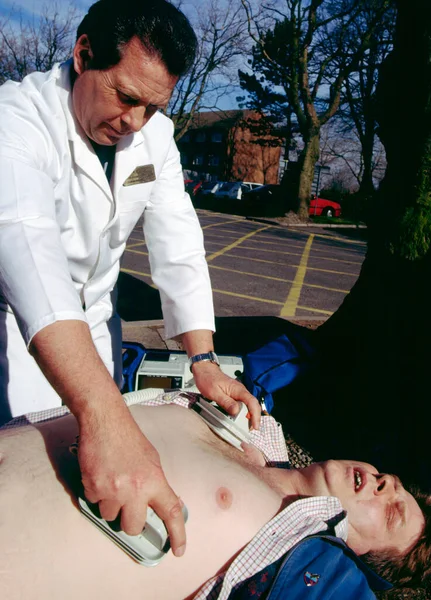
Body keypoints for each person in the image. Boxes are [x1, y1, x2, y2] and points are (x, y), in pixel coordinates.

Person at [0, 0, 260, 554]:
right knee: (26, 481)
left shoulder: (153, 137)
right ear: (83, 52)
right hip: (18, 330)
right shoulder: (14, 122)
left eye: (153, 106)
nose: (135, 123)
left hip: (96, 327)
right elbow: (30, 258)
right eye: (126, 97)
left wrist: (203, 360)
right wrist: (104, 414)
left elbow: (178, 241)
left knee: (97, 485)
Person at [0, 393, 431, 600]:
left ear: (359, 557)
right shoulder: (250, 430)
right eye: (389, 479)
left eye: (391, 512)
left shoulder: (281, 561)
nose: (384, 482)